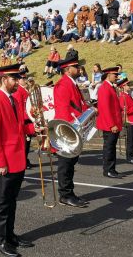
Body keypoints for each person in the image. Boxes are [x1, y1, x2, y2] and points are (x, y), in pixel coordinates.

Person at [0, 63, 38, 256]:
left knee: (12, 201)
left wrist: (34, 129)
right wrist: (0, 162)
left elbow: (19, 127)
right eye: (14, 79)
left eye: (18, 78)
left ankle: (10, 235)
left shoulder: (14, 100)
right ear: (3, 79)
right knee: (2, 202)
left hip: (17, 158)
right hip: (6, 161)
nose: (17, 82)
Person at [53, 57, 91, 208]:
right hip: (68, 131)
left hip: (73, 127)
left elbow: (77, 105)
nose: (79, 69)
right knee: (66, 164)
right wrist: (71, 130)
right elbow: (63, 110)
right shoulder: (63, 84)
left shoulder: (71, 83)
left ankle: (69, 192)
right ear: (68, 70)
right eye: (76, 66)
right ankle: (65, 195)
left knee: (70, 164)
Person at [96, 67, 123, 178]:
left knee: (111, 147)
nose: (117, 77)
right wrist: (112, 124)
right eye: (115, 75)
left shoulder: (110, 87)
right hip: (110, 124)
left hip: (114, 123)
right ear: (108, 75)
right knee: (109, 148)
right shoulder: (104, 88)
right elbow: (105, 108)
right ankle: (108, 170)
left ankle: (112, 169)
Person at [117, 78, 133, 165]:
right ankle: (130, 157)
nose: (129, 86)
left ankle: (132, 157)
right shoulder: (122, 97)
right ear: (123, 86)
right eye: (128, 85)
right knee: (131, 141)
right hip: (131, 121)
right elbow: (125, 111)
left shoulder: (129, 95)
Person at [13, 72, 33, 170]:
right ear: (18, 80)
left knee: (27, 143)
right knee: (25, 143)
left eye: (25, 78)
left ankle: (25, 159)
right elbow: (20, 109)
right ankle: (23, 160)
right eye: (23, 79)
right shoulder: (18, 91)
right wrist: (21, 121)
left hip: (28, 118)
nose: (25, 80)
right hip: (24, 119)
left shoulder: (25, 90)